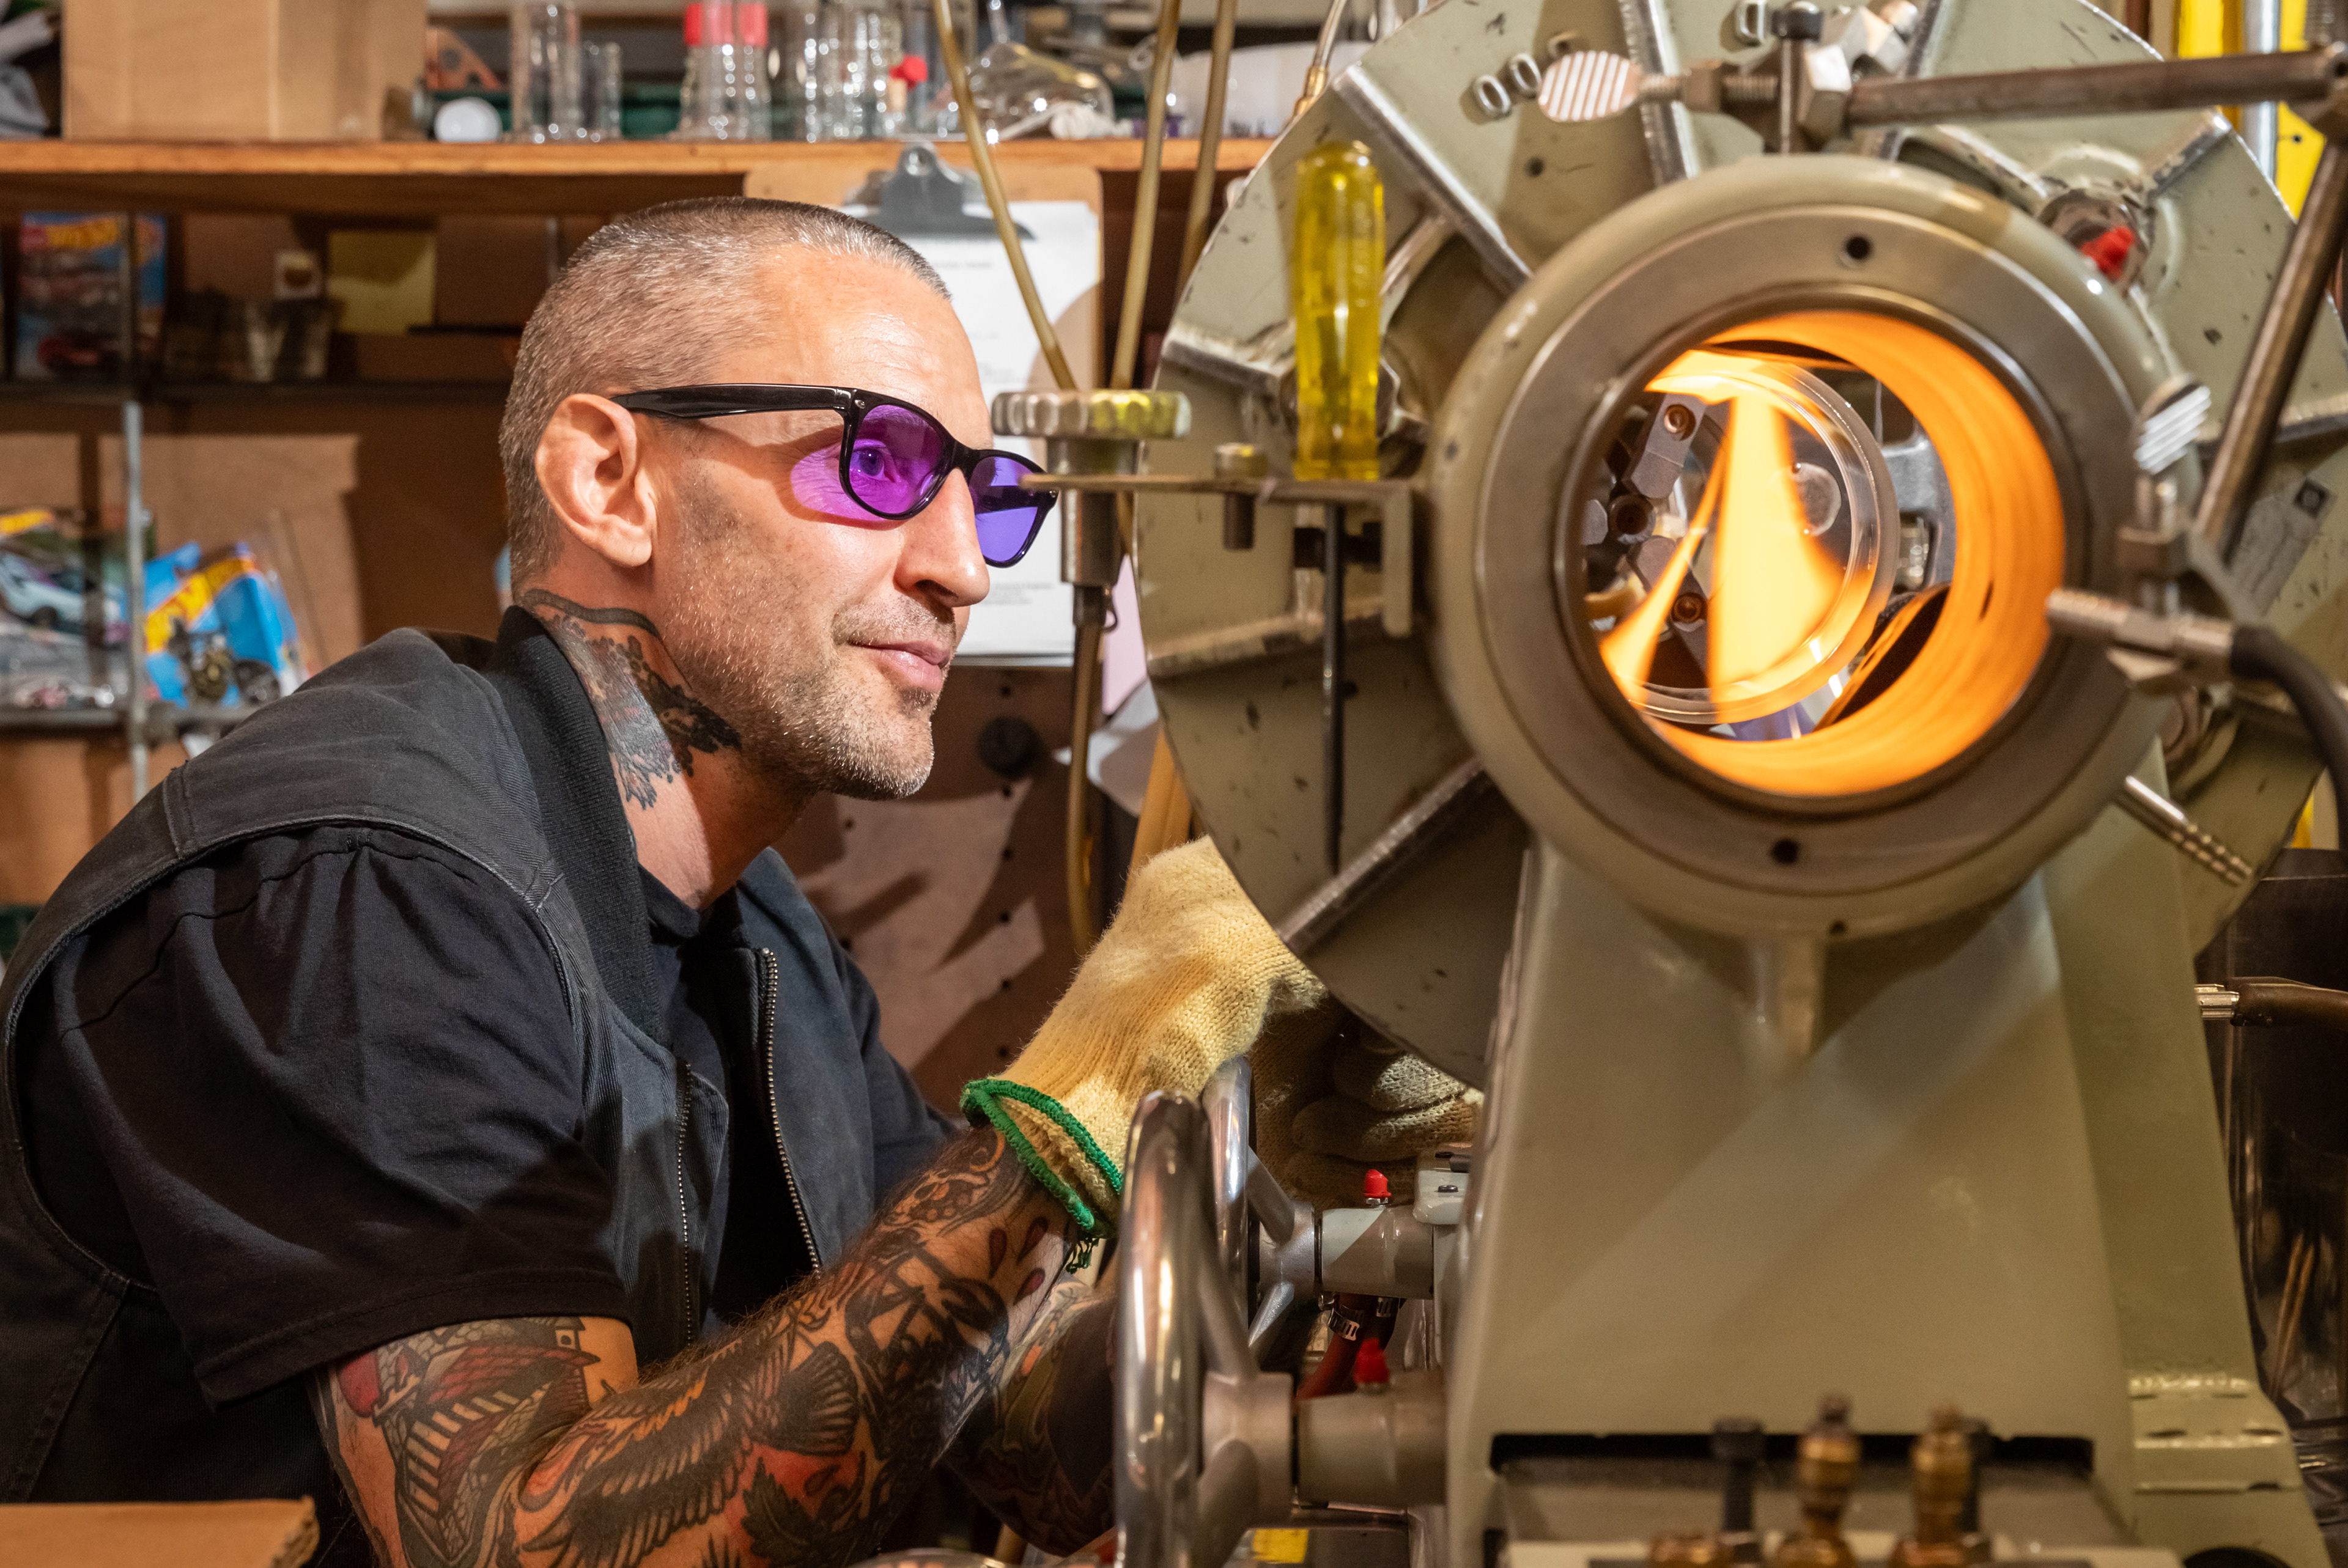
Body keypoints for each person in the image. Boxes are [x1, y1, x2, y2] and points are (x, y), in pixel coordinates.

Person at [0, 197, 1329, 1568]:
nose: (963, 569)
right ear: (610, 482)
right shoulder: (373, 887)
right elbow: (519, 1549)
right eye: (880, 463)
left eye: (983, 497)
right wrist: (1075, 1105)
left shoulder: (757, 934)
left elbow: (1024, 1433)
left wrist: (1285, 1194)